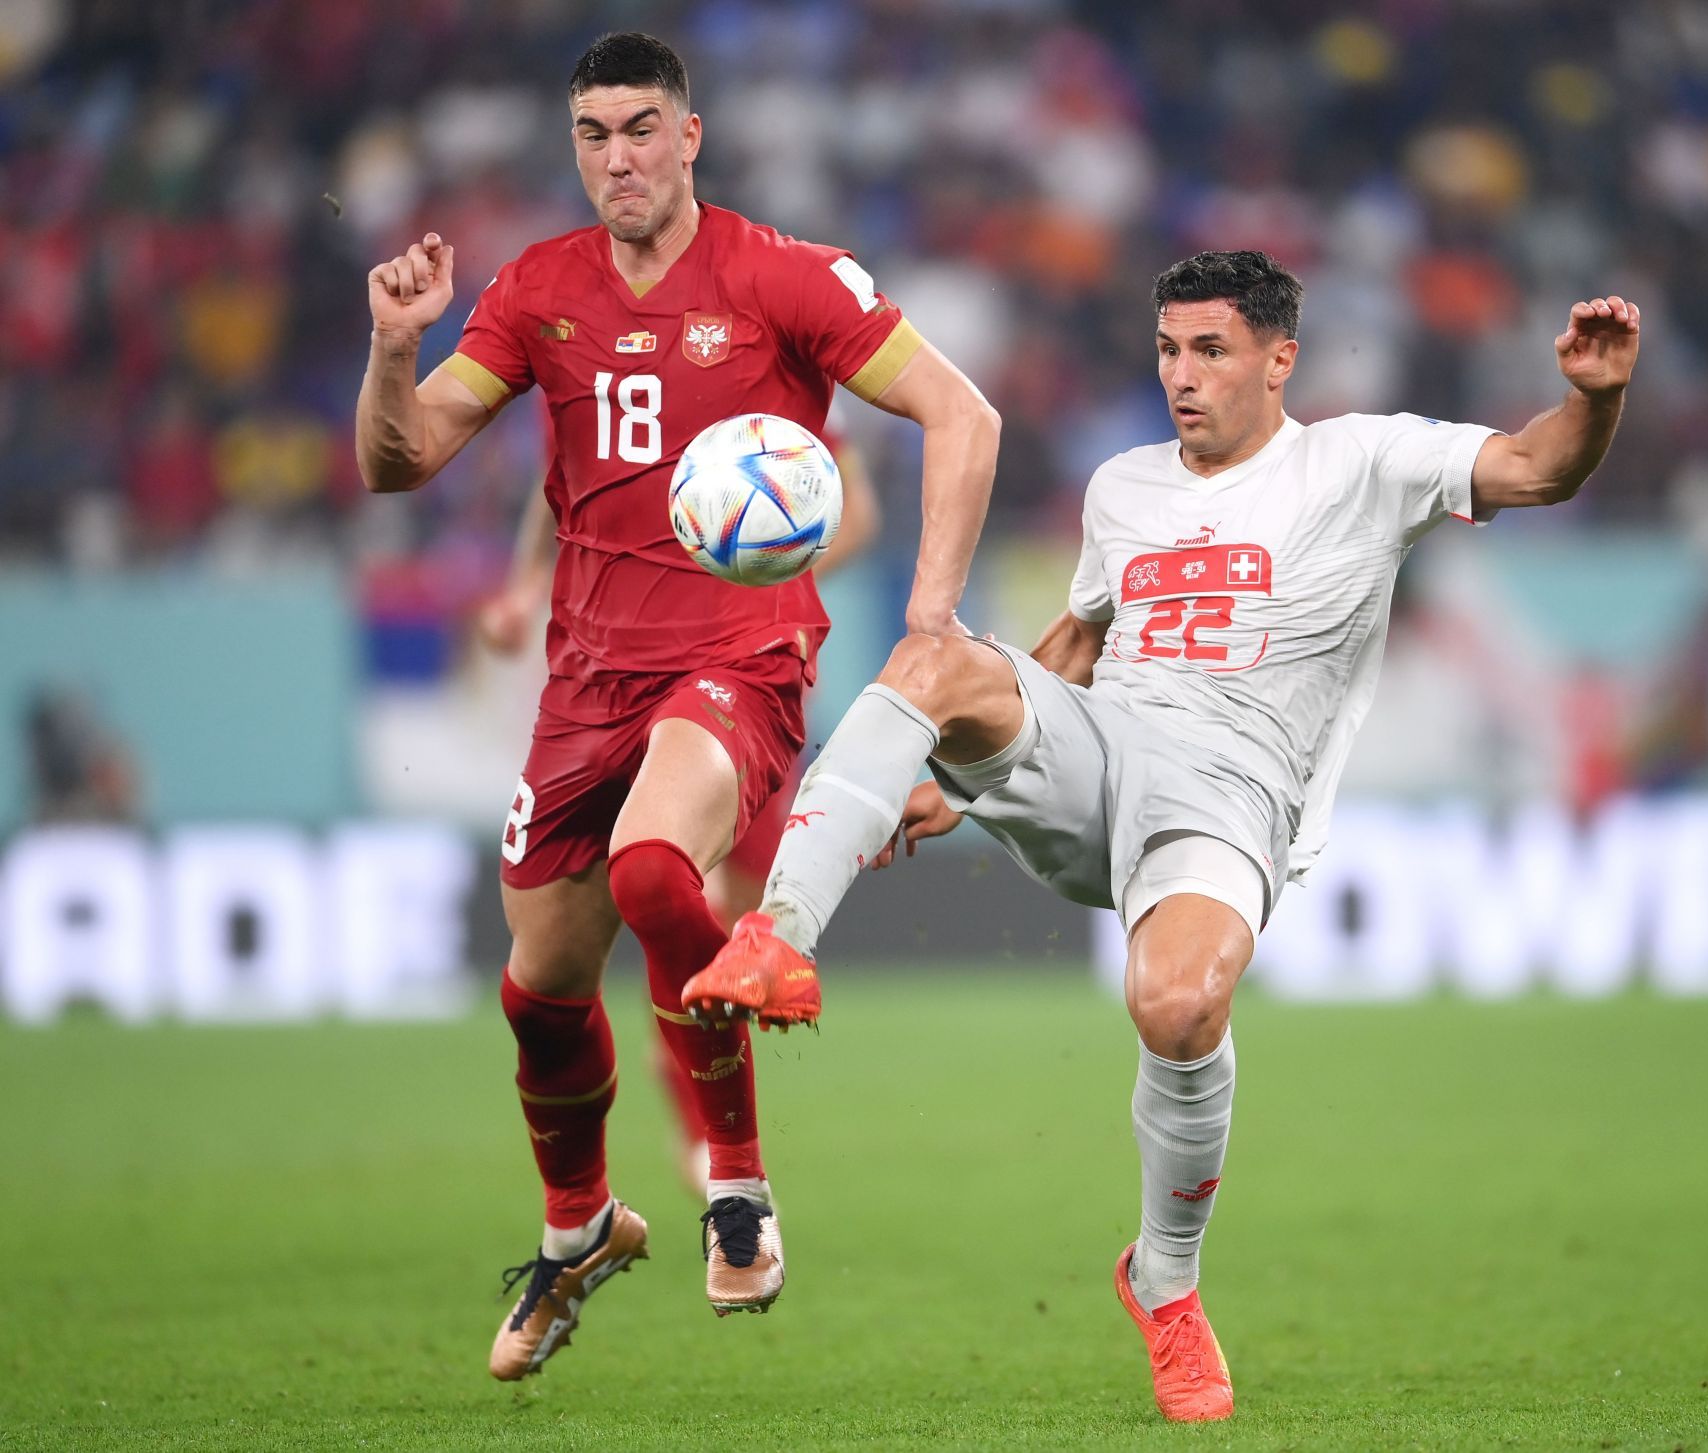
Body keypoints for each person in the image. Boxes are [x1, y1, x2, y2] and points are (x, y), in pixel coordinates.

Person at [683, 251, 1640, 1421]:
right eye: (1167, 351)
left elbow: (1540, 465)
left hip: (1233, 797)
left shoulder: (1365, 460)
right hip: (1103, 749)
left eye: (1210, 352)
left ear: (1280, 360)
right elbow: (1078, 648)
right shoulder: (1122, 486)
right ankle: (778, 932)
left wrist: (1593, 396)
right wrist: (963, 770)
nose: (1180, 378)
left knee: (1179, 1006)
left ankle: (1165, 1286)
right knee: (933, 658)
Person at [354, 31, 999, 1381]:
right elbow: (401, 461)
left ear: (691, 135)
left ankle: (740, 1191)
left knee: (659, 870)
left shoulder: (782, 277)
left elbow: (964, 414)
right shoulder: (538, 292)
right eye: (592, 134)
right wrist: (390, 348)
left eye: (642, 128)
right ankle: (579, 1225)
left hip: (741, 662)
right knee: (540, 990)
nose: (618, 158)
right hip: (588, 681)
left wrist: (928, 618)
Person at [474, 432, 883, 1193]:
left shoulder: (777, 410)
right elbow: (557, 479)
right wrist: (526, 588)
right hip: (631, 678)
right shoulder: (610, 379)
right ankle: (705, 1140)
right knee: (683, 891)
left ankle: (707, 1124)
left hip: (745, 676)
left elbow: (857, 514)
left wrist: (761, 561)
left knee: (728, 922)